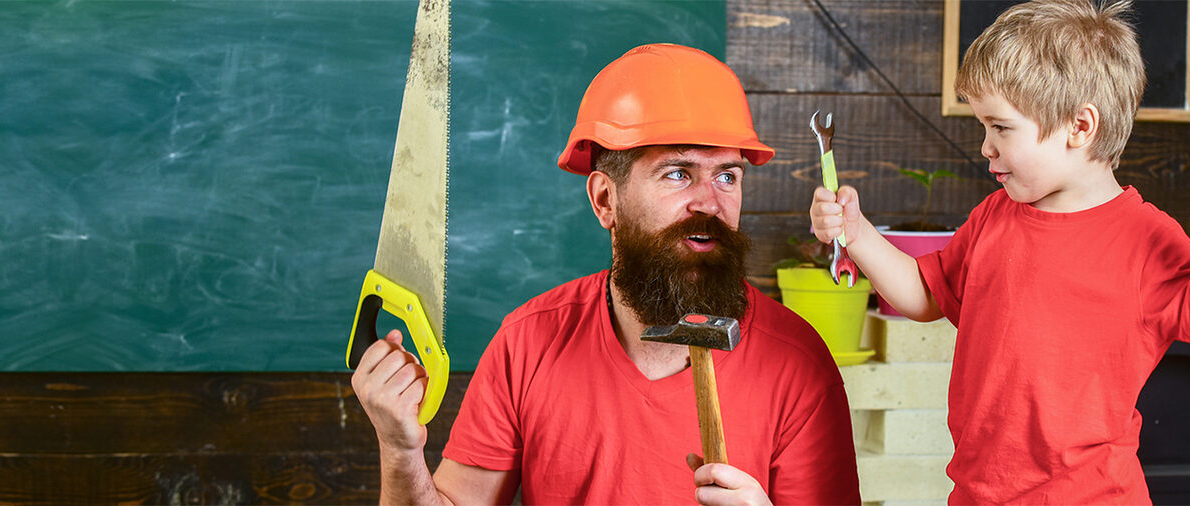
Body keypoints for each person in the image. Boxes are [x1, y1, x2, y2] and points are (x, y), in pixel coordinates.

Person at [353, 43, 861, 505]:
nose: (711, 202)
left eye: (728, 175)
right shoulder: (527, 343)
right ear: (604, 199)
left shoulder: (798, 364)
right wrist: (400, 451)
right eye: (678, 173)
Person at [808, 1, 1190, 503]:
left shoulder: (1145, 237)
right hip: (979, 491)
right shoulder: (993, 216)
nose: (986, 146)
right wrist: (859, 233)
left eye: (1001, 128)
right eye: (984, 127)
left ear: (1080, 127)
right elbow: (924, 295)